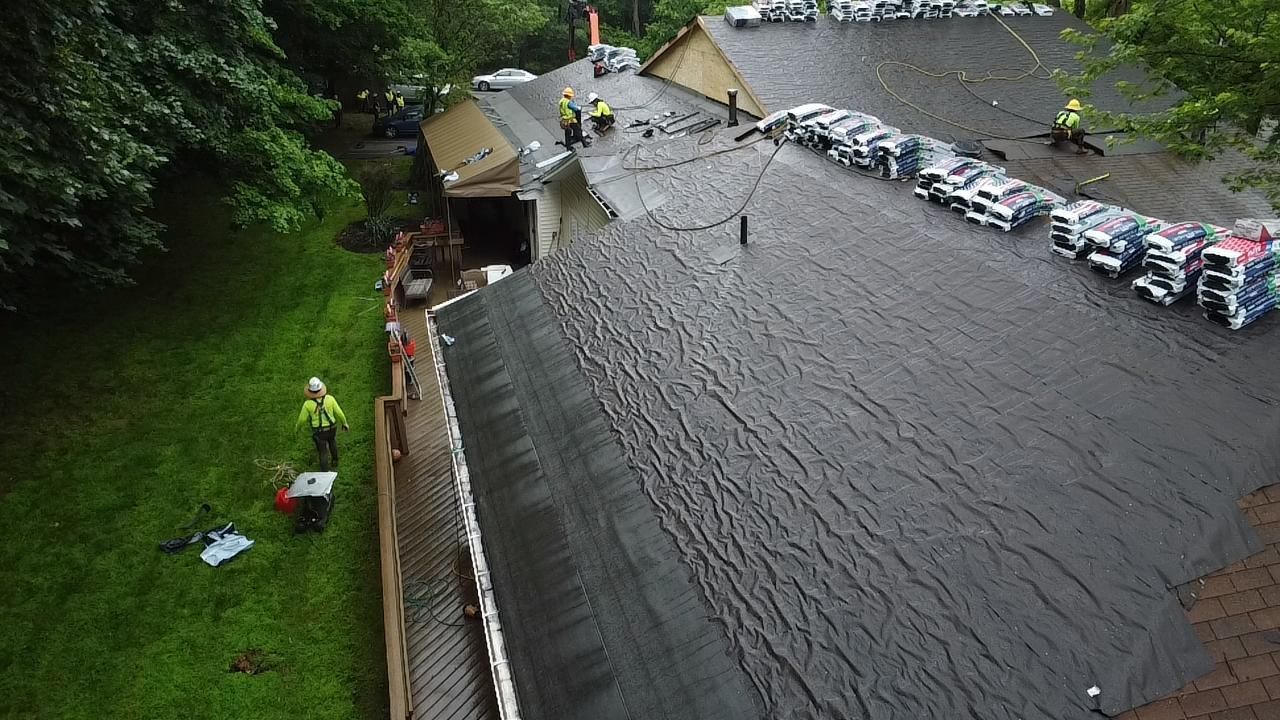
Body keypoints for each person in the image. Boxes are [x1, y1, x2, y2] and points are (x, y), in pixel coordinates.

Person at [295, 377, 349, 471]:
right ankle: (335, 460)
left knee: (323, 451)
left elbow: (302, 419)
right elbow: (339, 412)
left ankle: (324, 472)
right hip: (332, 428)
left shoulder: (308, 404)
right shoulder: (330, 399)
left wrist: (297, 428)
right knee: (332, 442)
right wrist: (344, 423)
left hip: (319, 432)